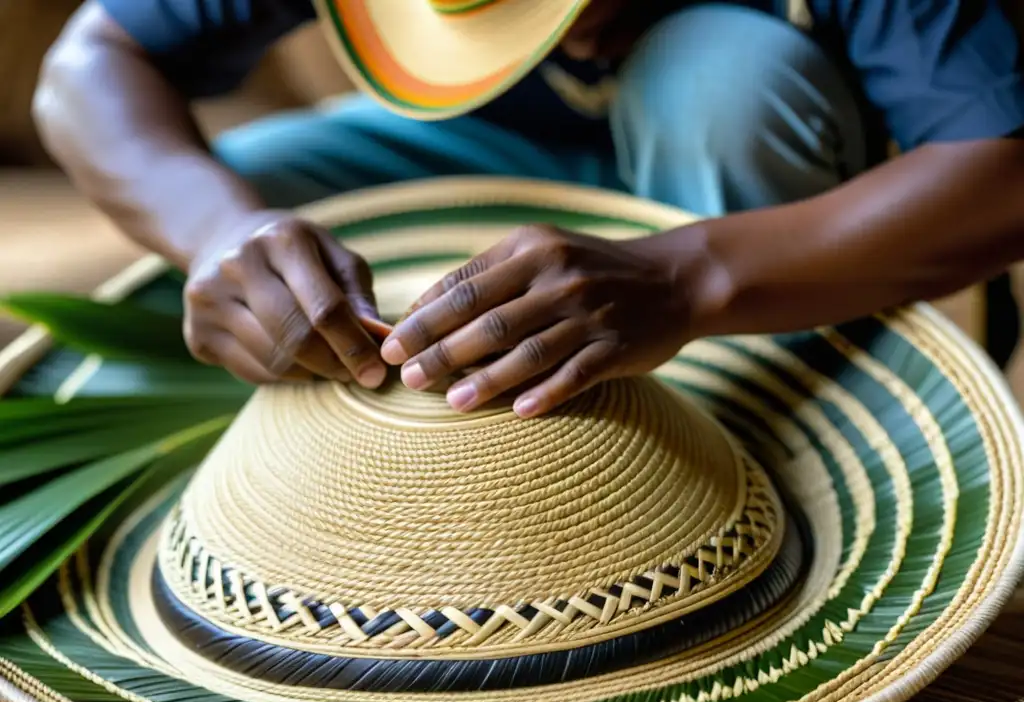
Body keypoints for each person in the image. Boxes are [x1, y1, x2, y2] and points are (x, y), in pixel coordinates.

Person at [34, 0, 1024, 420]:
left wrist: (684, 277)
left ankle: (744, 428)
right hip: (515, 154)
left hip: (769, 216)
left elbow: (1002, 165)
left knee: (724, 80)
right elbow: (87, 65)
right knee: (256, 192)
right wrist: (216, 233)